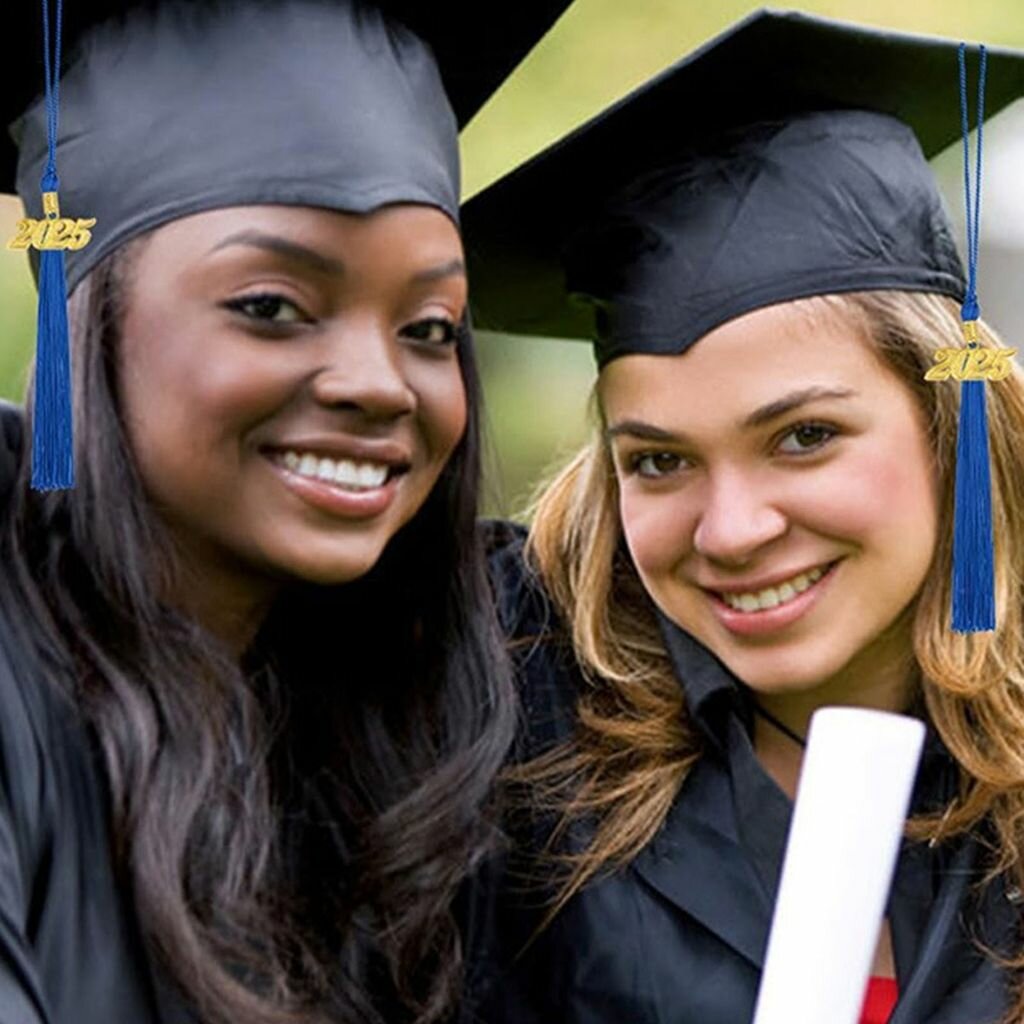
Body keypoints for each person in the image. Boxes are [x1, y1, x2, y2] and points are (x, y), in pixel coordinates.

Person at [0, 1, 569, 1022]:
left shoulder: (424, 707)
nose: (378, 383)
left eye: (429, 327)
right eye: (270, 307)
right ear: (80, 319)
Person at [460, 11, 1024, 1024]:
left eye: (804, 436)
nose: (729, 531)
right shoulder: (500, 710)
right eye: (659, 461)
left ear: (950, 422)